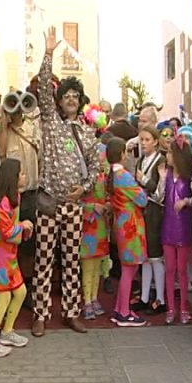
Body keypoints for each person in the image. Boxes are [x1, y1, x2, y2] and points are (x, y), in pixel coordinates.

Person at [31, 26, 99, 337]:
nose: (70, 99)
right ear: (59, 101)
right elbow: (43, 88)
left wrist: (83, 189)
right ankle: (41, 314)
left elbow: (96, 169)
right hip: (48, 202)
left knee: (71, 259)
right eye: (66, 96)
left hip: (73, 206)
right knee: (44, 260)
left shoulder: (87, 132)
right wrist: (48, 52)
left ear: (81, 101)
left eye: (75, 96)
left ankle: (72, 312)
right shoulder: (50, 121)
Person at [0, 159, 33, 357]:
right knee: (3, 298)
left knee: (20, 292)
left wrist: (23, 228)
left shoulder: (15, 198)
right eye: (21, 173)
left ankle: (7, 331)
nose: (24, 176)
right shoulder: (3, 202)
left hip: (8, 256)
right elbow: (7, 231)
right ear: (13, 177)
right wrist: (24, 226)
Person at [0, 92, 41, 303]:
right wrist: (5, 123)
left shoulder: (33, 129)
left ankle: (28, 287)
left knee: (30, 243)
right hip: (13, 197)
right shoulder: (4, 131)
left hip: (31, 193)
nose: (18, 109)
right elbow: (0, 153)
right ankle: (12, 285)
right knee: (12, 244)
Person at [106, 137, 148, 327]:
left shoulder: (112, 175)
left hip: (121, 223)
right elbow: (142, 199)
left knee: (126, 269)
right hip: (130, 225)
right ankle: (124, 312)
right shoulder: (123, 175)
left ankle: (120, 308)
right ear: (122, 154)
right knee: (129, 270)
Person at [131, 126, 166, 316]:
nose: (143, 143)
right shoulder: (141, 160)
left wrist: (143, 179)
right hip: (142, 211)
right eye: (141, 140)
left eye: (146, 140)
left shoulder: (160, 161)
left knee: (155, 255)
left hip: (154, 212)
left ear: (155, 141)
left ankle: (160, 298)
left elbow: (159, 190)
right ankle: (144, 297)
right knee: (144, 257)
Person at [160, 138, 192, 325]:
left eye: (170, 152)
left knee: (182, 270)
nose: (167, 156)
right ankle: (170, 308)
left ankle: (183, 307)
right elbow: (159, 197)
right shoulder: (166, 174)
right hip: (168, 226)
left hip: (183, 228)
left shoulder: (189, 177)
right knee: (170, 269)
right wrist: (158, 178)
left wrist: (186, 202)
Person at [79, 136, 110, 320]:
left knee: (98, 265)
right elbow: (75, 201)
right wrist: (92, 208)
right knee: (87, 265)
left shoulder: (104, 177)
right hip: (87, 225)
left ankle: (95, 297)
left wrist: (107, 204)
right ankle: (86, 300)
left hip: (100, 226)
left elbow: (108, 196)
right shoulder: (83, 177)